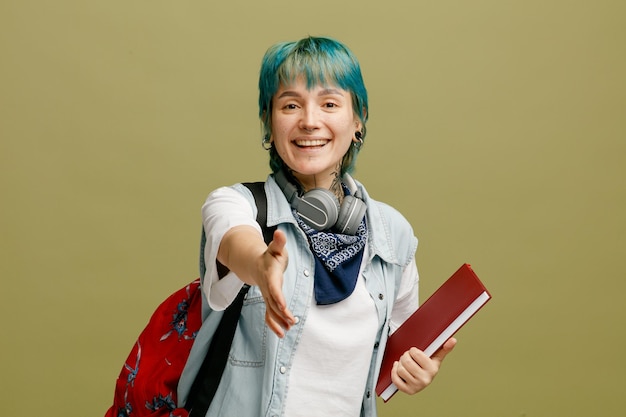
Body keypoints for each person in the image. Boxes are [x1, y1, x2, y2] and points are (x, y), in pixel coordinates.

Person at [178, 36, 456, 417]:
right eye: (290, 105)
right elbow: (233, 242)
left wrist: (415, 370)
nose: (309, 121)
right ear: (268, 121)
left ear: (357, 121)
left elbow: (395, 350)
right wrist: (261, 265)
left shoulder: (394, 234)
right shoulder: (237, 204)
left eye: (329, 103)